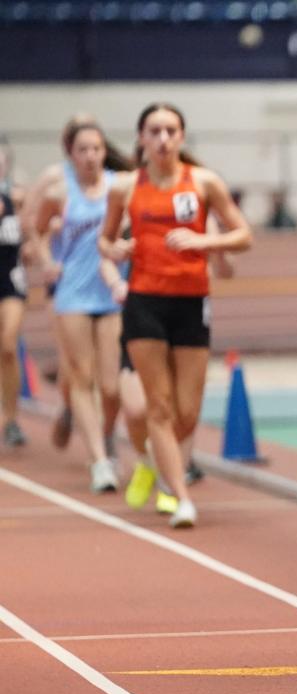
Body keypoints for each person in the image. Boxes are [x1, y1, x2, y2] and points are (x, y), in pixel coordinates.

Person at [99, 102, 252, 528]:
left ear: (182, 137)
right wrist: (115, 250)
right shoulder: (126, 188)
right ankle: (180, 496)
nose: (163, 138)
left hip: (191, 302)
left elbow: (244, 235)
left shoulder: (203, 183)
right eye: (155, 131)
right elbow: (105, 241)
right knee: (159, 407)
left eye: (171, 130)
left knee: (187, 410)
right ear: (142, 139)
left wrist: (202, 243)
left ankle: (153, 462)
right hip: (145, 302)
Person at [33, 121, 136, 492]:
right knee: (81, 377)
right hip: (72, 295)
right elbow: (37, 230)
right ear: (71, 155)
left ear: (103, 151)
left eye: (96, 149)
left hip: (110, 294)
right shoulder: (60, 192)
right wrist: (47, 260)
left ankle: (106, 435)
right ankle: (98, 461)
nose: (91, 156)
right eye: (83, 150)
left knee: (111, 387)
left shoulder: (120, 187)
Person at [0, 186, 27, 446]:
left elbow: (30, 236)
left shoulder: (15, 199)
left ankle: (11, 420)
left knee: (8, 347)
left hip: (10, 283)